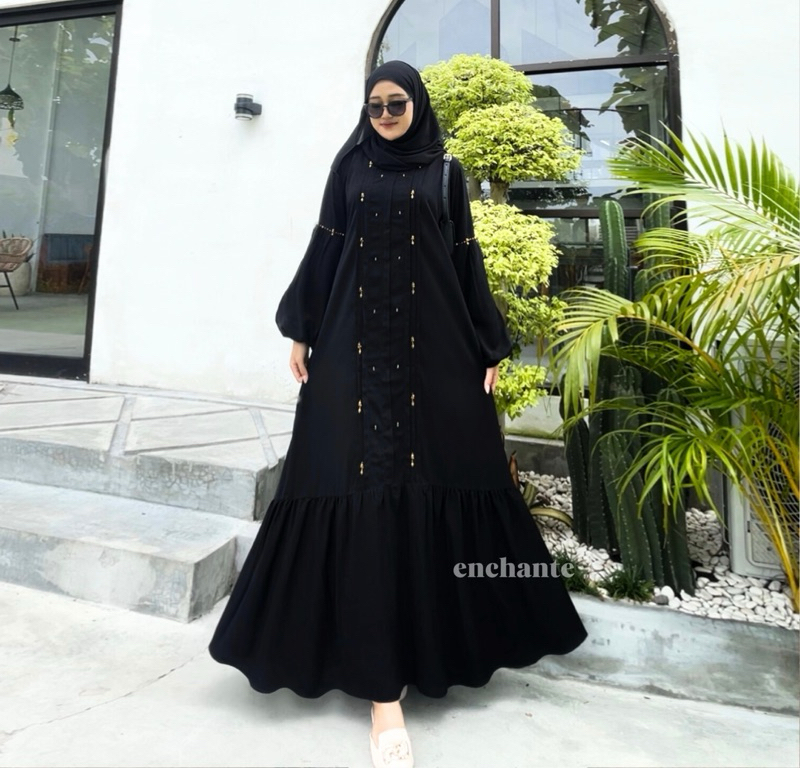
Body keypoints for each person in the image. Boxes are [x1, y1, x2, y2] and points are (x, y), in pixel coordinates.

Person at [208, 60, 588, 768]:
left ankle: (430, 650)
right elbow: (326, 246)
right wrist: (302, 329)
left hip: (432, 355)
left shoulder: (445, 173)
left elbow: (465, 259)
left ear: (418, 104)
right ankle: (383, 693)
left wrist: (489, 344)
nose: (384, 115)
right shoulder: (348, 166)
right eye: (375, 105)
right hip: (352, 355)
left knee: (436, 475)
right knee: (350, 482)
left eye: (396, 103)